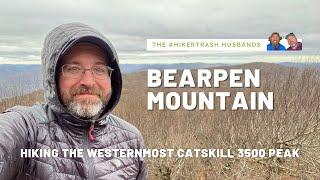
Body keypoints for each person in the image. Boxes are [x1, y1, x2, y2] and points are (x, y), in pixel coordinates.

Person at [0, 23, 147, 179]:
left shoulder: (132, 140)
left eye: (99, 69)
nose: (89, 82)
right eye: (73, 68)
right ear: (53, 78)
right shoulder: (26, 129)